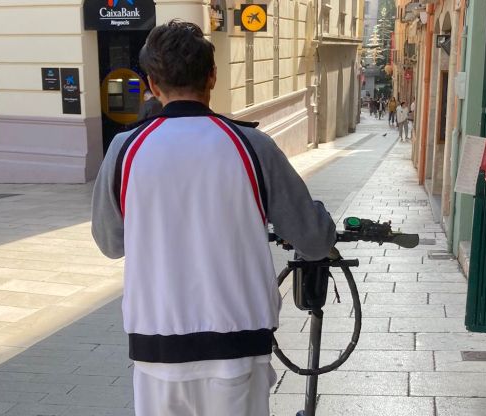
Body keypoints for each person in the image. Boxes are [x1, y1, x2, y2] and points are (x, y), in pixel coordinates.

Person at [91, 20, 336, 416]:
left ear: (152, 84)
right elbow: (312, 238)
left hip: (157, 348)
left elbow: (110, 243)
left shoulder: (125, 149)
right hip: (237, 347)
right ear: (213, 77)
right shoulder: (251, 145)